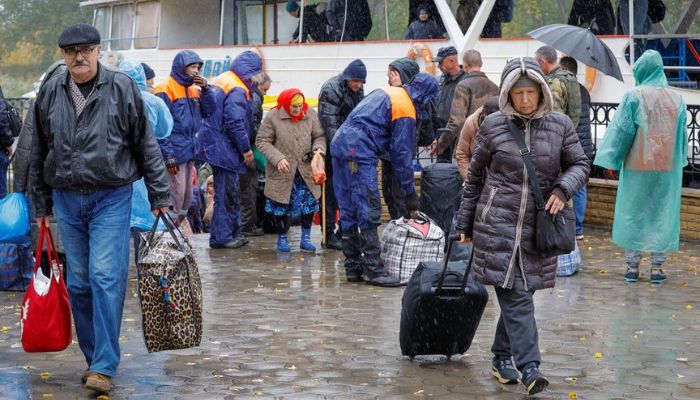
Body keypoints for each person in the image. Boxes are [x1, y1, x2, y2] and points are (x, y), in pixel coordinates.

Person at [29, 24, 170, 393]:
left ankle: (105, 365)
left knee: (106, 276)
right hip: (66, 198)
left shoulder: (121, 87)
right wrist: (40, 203)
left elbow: (145, 142)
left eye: (87, 49)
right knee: (78, 283)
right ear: (63, 55)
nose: (79, 57)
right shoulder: (51, 90)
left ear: (98, 51)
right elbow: (38, 148)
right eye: (72, 51)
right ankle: (94, 359)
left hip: (111, 196)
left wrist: (160, 196)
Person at [454, 57, 589, 395]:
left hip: (538, 228)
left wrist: (563, 188)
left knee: (521, 295)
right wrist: (464, 221)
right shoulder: (493, 125)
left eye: (531, 92)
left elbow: (580, 163)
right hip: (496, 224)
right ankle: (530, 367)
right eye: (519, 93)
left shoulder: (559, 125)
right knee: (516, 298)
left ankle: (501, 357)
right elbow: (474, 179)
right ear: (508, 95)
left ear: (542, 92)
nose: (526, 99)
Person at [331, 72, 439, 286]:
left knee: (349, 208)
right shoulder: (405, 108)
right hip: (359, 152)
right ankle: (374, 270)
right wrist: (410, 194)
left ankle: (353, 267)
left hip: (340, 145)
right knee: (368, 207)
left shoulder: (388, 92)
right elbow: (401, 154)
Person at [593, 50, 687, 284]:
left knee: (633, 212)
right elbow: (682, 138)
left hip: (637, 166)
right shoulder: (678, 99)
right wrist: (680, 162)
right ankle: (657, 268)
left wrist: (612, 161)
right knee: (662, 214)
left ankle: (632, 266)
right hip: (666, 168)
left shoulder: (634, 96)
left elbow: (622, 131)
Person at [197, 50, 262, 249]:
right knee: (227, 193)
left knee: (228, 191)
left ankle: (232, 233)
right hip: (224, 147)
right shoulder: (238, 89)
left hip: (216, 144)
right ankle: (222, 237)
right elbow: (235, 121)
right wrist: (245, 149)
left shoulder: (225, 78)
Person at [256, 89, 326, 252]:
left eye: (300, 106)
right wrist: (277, 158)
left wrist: (318, 150)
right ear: (286, 104)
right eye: (294, 106)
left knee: (309, 204)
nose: (297, 109)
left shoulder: (310, 114)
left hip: (305, 170)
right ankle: (281, 238)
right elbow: (262, 141)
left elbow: (319, 136)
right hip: (282, 171)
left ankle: (306, 238)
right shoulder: (273, 116)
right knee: (280, 205)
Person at [119, 59, 175, 256]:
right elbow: (164, 130)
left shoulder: (112, 99)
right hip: (146, 167)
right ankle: (148, 270)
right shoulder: (153, 102)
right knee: (148, 226)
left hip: (118, 170)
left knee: (116, 227)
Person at [155, 50, 211, 226]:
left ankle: (175, 228)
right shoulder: (165, 89)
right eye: (192, 67)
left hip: (189, 150)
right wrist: (168, 154)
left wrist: (206, 91)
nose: (196, 71)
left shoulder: (194, 91)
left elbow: (209, 112)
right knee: (175, 195)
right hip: (174, 151)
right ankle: (166, 232)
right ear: (182, 67)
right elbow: (161, 126)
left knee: (187, 196)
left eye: (197, 68)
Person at [317, 59, 366, 249]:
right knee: (330, 194)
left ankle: (345, 231)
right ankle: (328, 235)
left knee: (347, 191)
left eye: (361, 82)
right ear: (347, 78)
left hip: (348, 146)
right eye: (356, 81)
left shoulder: (356, 90)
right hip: (333, 148)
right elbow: (329, 124)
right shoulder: (331, 89)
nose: (358, 85)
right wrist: (342, 148)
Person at [433, 49, 498, 159]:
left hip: (467, 143)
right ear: (481, 63)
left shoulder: (463, 86)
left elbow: (457, 121)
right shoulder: (494, 87)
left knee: (461, 175)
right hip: (489, 142)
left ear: (465, 65)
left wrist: (441, 143)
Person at [559, 56, 594, 240]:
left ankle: (571, 225)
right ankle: (578, 227)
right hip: (586, 146)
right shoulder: (583, 90)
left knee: (567, 184)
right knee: (580, 186)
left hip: (572, 145)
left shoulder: (563, 88)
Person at [383, 57, 420, 221]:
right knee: (389, 191)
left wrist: (400, 88)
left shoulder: (413, 95)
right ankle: (396, 220)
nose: (391, 79)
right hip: (387, 152)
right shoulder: (388, 94)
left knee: (399, 191)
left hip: (400, 150)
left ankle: (403, 221)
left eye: (394, 75)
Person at [240, 73, 271, 237]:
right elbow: (253, 126)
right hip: (249, 148)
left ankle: (246, 225)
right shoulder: (255, 99)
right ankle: (247, 226)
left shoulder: (249, 96)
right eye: (265, 89)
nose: (265, 93)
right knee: (249, 189)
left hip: (245, 147)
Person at [454, 95, 499, 180]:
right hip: (478, 171)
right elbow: (462, 153)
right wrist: (468, 179)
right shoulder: (470, 123)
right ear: (484, 114)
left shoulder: (509, 121)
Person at [433, 46, 467, 162]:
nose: (438, 66)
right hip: (441, 132)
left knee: (460, 167)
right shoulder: (440, 80)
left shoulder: (466, 80)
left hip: (460, 134)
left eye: (441, 62)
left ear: (452, 61)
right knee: (442, 169)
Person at [535, 46, 581, 128]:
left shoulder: (554, 82)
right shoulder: (567, 77)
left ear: (542, 62)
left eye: (536, 63)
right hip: (569, 130)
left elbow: (553, 117)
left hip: (556, 134)